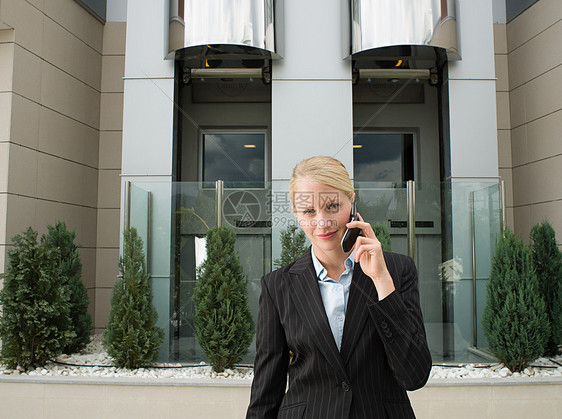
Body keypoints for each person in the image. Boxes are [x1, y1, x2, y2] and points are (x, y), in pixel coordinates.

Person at [246, 156, 431, 419]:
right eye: (309, 211)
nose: (322, 222)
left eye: (332, 206)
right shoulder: (278, 285)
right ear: (297, 215)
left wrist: (382, 282)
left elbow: (415, 375)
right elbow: (266, 390)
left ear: (352, 203)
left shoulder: (397, 271)